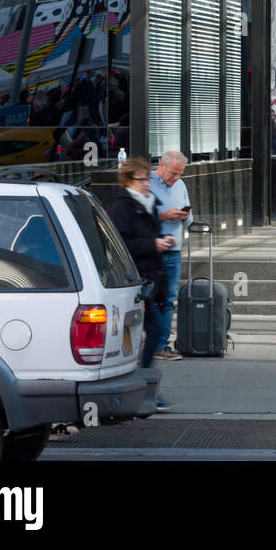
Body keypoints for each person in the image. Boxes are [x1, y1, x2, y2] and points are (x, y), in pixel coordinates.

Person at [109, 156, 176, 410]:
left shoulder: (148, 204)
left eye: (148, 178)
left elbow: (150, 236)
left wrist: (164, 240)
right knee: (154, 330)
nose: (148, 183)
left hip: (149, 279)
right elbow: (121, 246)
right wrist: (153, 244)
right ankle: (143, 387)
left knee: (148, 332)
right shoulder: (123, 208)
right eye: (142, 179)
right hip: (134, 282)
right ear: (129, 181)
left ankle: (142, 388)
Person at [150, 151, 193, 361]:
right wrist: (164, 216)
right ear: (161, 165)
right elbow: (136, 217)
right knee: (146, 298)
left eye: (179, 174)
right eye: (173, 173)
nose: (175, 178)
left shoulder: (181, 185)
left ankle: (161, 346)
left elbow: (189, 221)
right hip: (150, 251)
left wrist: (185, 216)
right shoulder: (147, 183)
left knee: (168, 300)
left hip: (174, 252)